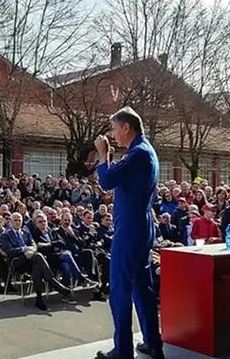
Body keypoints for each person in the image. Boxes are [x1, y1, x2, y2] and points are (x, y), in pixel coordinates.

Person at [93, 106, 163, 359]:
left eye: (114, 128)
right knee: (142, 287)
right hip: (141, 226)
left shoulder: (138, 154)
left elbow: (107, 181)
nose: (113, 134)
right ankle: (153, 341)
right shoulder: (146, 151)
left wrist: (103, 156)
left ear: (126, 127)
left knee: (120, 290)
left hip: (131, 229)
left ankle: (123, 350)